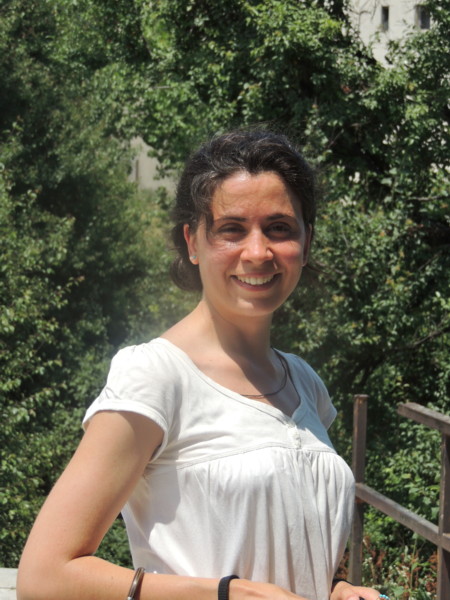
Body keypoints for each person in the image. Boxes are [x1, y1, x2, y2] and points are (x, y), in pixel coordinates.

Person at [17, 129, 386, 600]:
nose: (258, 252)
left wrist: (336, 589)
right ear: (193, 242)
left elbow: (282, 548)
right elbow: (44, 577)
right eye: (232, 229)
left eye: (279, 228)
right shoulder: (156, 376)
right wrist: (227, 593)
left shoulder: (304, 383)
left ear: (306, 241)